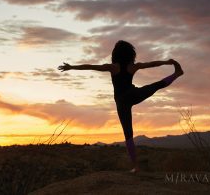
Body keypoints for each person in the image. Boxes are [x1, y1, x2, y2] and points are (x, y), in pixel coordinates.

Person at [58, 40, 184, 173]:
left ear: (115, 54)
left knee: (128, 134)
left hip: (121, 102)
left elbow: (91, 66)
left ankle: (136, 166)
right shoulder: (133, 67)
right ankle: (176, 74)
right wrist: (168, 62)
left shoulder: (113, 67)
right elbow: (152, 64)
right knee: (155, 86)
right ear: (130, 54)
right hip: (134, 94)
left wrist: (72, 67)